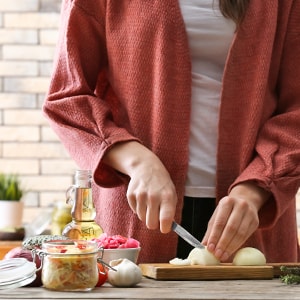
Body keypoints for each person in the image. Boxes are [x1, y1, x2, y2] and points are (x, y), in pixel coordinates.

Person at [43, 0, 300, 263]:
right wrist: (137, 161)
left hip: (252, 216)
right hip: (140, 216)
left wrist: (257, 188)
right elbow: (67, 97)